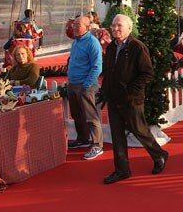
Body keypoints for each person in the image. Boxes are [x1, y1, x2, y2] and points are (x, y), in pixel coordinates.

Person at [102, 14, 169, 184]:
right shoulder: (111, 47)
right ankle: (122, 170)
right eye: (113, 25)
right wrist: (105, 90)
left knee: (140, 131)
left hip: (131, 99)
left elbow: (147, 73)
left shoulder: (137, 47)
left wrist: (130, 90)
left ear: (129, 28)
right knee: (117, 135)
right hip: (113, 98)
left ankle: (159, 154)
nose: (115, 28)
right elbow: (108, 70)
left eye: (119, 25)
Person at [67, 15, 104, 160]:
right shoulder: (75, 42)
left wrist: (86, 85)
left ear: (87, 27)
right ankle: (83, 139)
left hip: (85, 85)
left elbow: (97, 67)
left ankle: (97, 145)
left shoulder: (92, 43)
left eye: (78, 25)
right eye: (74, 24)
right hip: (73, 84)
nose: (74, 27)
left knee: (90, 116)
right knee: (77, 115)